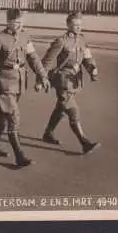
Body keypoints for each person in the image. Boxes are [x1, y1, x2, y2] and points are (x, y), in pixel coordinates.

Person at [0, 8, 50, 168]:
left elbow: (33, 57)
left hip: (19, 81)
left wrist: (42, 75)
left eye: (20, 22)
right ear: (7, 22)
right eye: (14, 22)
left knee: (4, 114)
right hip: (4, 81)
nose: (17, 25)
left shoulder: (25, 36)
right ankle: (19, 155)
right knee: (13, 115)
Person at [40, 11, 100, 154]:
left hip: (74, 80)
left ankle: (48, 133)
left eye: (80, 24)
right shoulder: (61, 41)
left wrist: (92, 68)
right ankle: (84, 142)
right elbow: (47, 61)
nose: (78, 27)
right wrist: (41, 78)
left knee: (61, 109)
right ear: (68, 25)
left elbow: (87, 57)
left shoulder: (82, 39)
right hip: (62, 80)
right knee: (72, 109)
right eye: (75, 25)